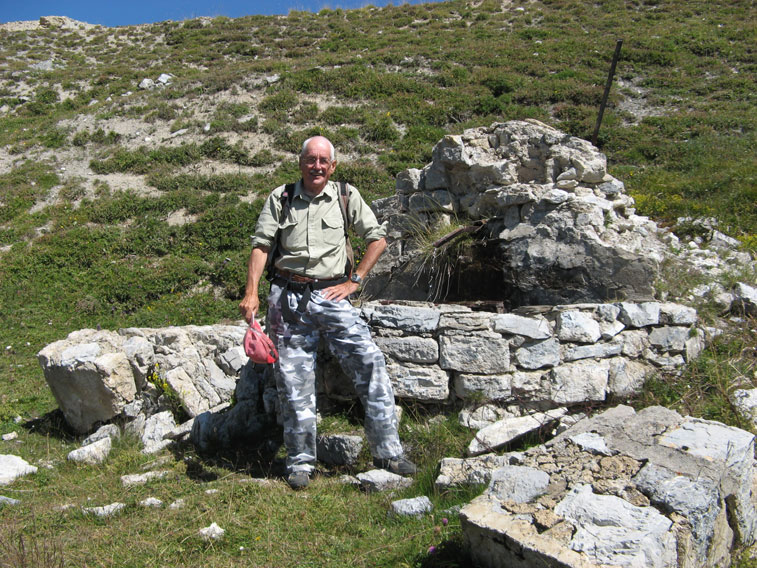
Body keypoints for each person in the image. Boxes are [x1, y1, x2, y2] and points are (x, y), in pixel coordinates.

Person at [238, 135, 416, 490]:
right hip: (286, 300)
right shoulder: (282, 197)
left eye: (323, 160)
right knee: (292, 381)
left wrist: (355, 280)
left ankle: (388, 452)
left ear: (332, 166)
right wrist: (251, 292)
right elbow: (261, 245)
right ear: (300, 163)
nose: (316, 166)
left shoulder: (345, 196)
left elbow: (377, 239)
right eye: (310, 159)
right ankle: (300, 462)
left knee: (370, 362)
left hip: (333, 296)